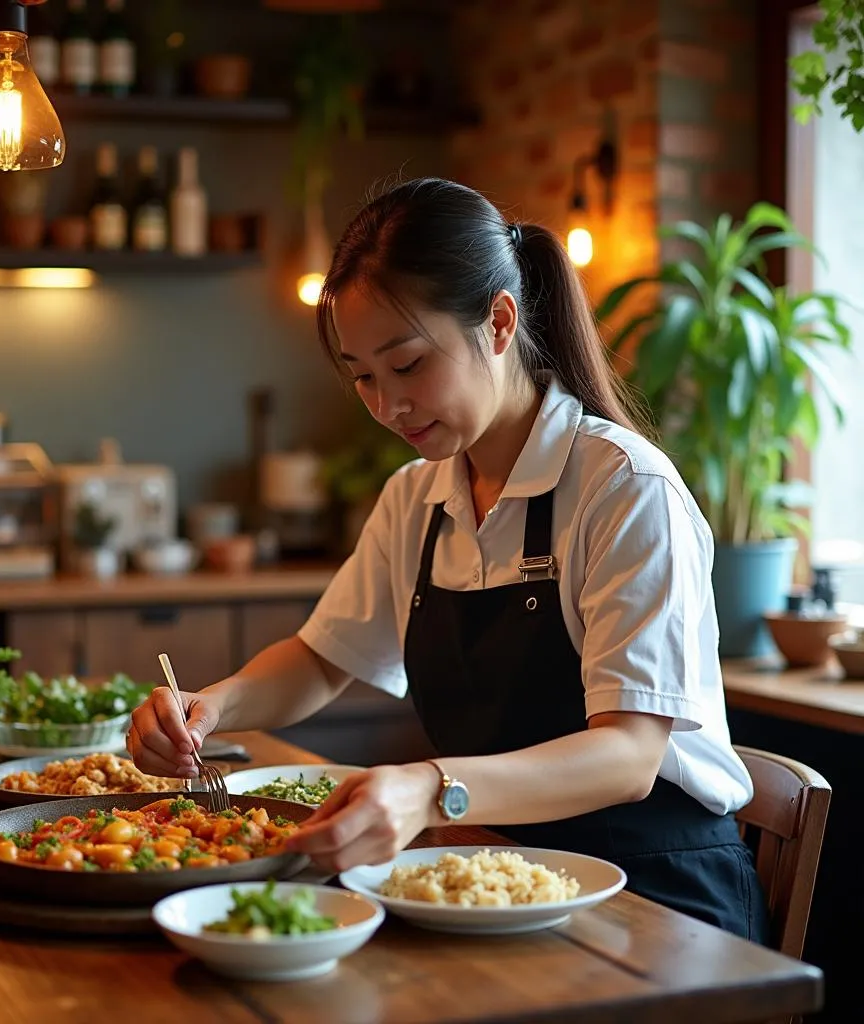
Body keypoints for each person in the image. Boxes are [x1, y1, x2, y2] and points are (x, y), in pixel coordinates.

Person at [129, 177, 768, 942]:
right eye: (362, 375)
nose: (386, 406)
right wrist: (210, 710)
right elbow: (321, 659)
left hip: (660, 902)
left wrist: (432, 792)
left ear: (499, 323)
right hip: (497, 879)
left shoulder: (623, 488)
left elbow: (628, 756)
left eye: (407, 365)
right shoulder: (416, 497)